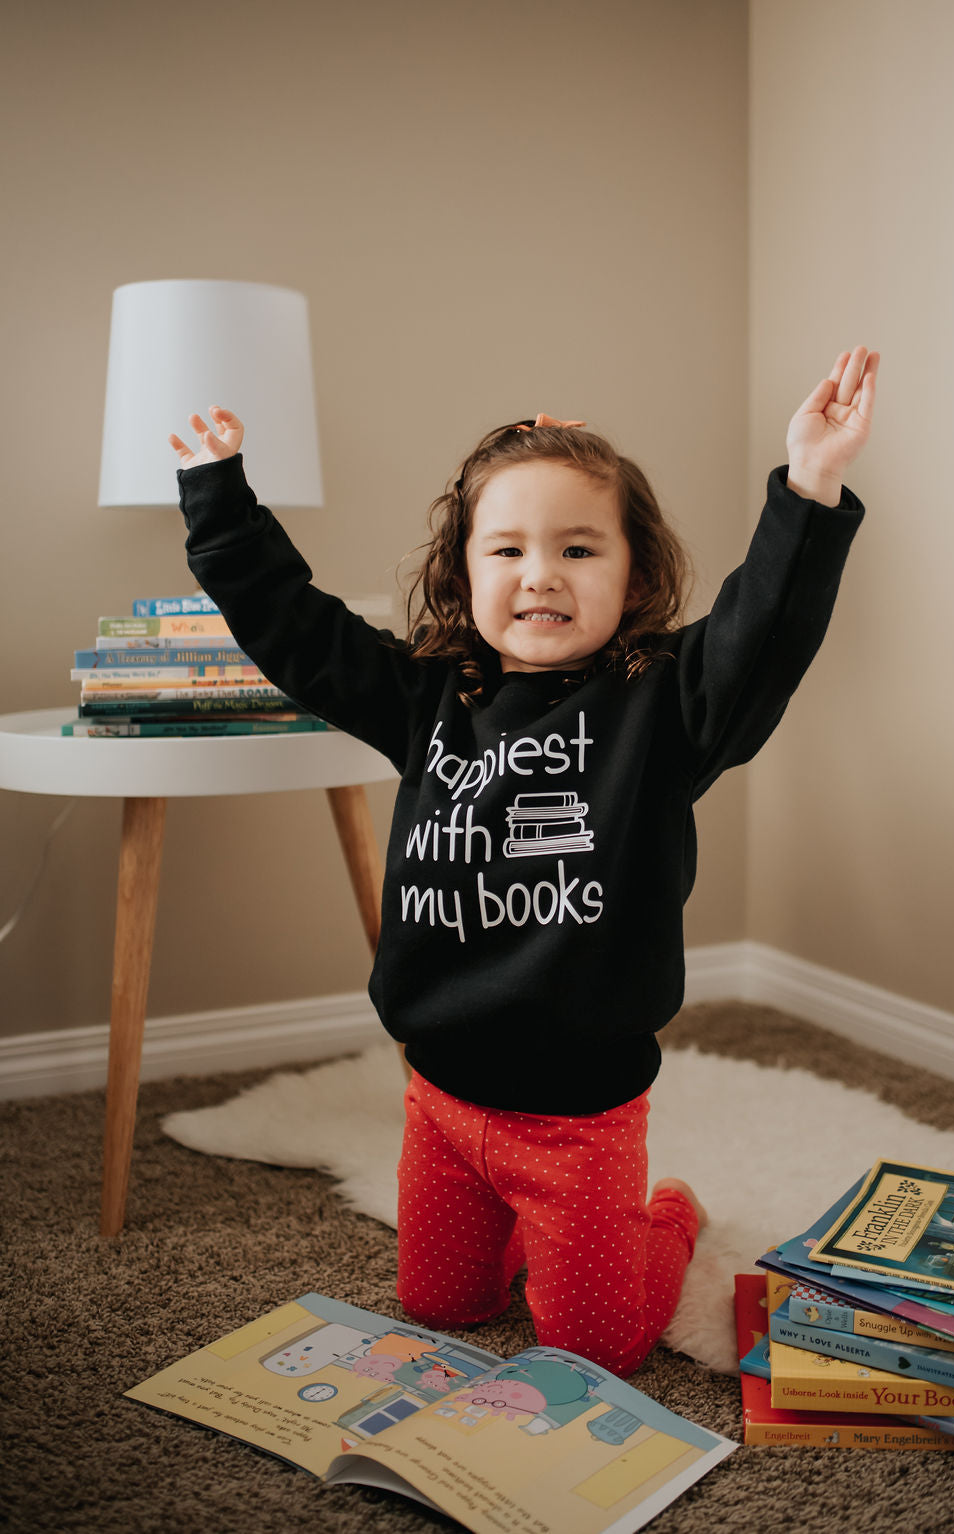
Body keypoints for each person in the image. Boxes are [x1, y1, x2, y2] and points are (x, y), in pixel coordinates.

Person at [169, 347, 879, 1377]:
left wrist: (809, 482)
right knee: (439, 1308)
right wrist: (219, 502)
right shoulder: (426, 696)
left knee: (596, 1349)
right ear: (463, 573)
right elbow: (296, 628)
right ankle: (513, 1226)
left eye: (579, 549)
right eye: (506, 548)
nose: (540, 571)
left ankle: (666, 1216)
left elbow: (761, 633)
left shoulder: (664, 705)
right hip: (440, 1103)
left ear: (633, 575)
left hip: (580, 1124)